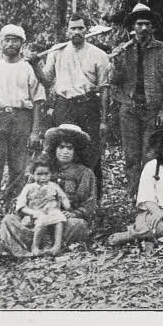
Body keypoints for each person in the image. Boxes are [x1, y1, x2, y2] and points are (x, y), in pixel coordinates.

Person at [25, 13, 110, 199]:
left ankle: (94, 201)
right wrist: (34, 65)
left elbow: (104, 89)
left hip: (88, 106)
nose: (77, 31)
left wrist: (103, 120)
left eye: (80, 28)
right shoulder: (57, 51)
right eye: (73, 28)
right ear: (67, 30)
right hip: (64, 105)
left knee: (91, 153)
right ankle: (60, 198)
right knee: (61, 149)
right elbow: (47, 81)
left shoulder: (99, 55)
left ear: (86, 30)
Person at [0, 24, 45, 224]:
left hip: (22, 118)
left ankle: (15, 213)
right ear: (1, 42)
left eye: (16, 40)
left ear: (22, 43)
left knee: (18, 168)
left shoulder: (28, 68)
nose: (11, 44)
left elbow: (38, 100)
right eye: (7, 39)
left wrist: (35, 131)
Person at [0, 124, 96, 258]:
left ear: (76, 150)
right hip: (37, 218)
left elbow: (90, 204)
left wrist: (73, 214)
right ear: (54, 148)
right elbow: (26, 197)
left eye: (69, 148)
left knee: (79, 225)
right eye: (61, 147)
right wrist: (30, 213)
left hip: (63, 222)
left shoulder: (85, 173)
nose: (65, 152)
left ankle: (41, 244)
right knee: (9, 220)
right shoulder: (42, 169)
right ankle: (33, 247)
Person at [110, 3, 163, 199]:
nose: (143, 28)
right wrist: (116, 62)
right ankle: (133, 194)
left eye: (147, 24)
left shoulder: (162, 50)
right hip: (130, 108)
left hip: (153, 109)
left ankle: (150, 194)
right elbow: (114, 82)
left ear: (152, 27)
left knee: (150, 153)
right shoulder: (124, 50)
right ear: (133, 26)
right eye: (139, 24)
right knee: (131, 154)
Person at [15, 155, 71, 257]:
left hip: (52, 211)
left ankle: (57, 246)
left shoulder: (53, 186)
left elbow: (62, 196)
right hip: (37, 212)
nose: (43, 177)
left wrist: (66, 203)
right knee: (42, 219)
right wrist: (33, 212)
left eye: (46, 174)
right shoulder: (29, 187)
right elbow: (21, 205)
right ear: (32, 174)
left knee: (59, 217)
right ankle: (35, 246)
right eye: (39, 174)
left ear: (51, 174)